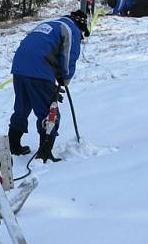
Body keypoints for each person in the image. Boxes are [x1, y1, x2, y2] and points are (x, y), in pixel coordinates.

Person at [8, 10, 88, 162]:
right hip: (39, 71)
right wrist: (65, 77)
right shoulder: (72, 30)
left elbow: (36, 46)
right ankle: (44, 154)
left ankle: (13, 145)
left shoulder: (48, 25)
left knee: (22, 107)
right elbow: (69, 56)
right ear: (80, 26)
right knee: (49, 112)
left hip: (19, 67)